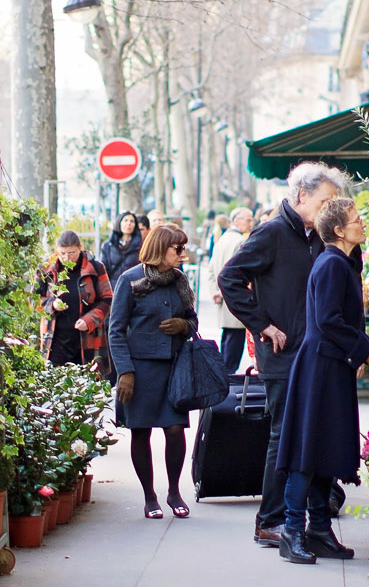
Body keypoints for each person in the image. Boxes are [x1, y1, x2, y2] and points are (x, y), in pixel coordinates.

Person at [218, 162, 353, 548]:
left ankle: (314, 523)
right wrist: (263, 324)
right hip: (282, 355)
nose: (331, 207)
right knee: (284, 437)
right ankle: (270, 521)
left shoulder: (317, 237)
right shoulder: (273, 233)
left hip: (315, 355)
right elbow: (230, 277)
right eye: (326, 200)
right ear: (301, 197)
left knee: (312, 437)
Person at [276, 197, 369, 564]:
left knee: (321, 449)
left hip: (327, 365)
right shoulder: (333, 263)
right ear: (339, 230)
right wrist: (364, 348)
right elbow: (329, 320)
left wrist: (358, 350)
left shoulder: (341, 261)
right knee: (307, 451)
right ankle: (293, 531)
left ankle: (319, 530)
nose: (362, 222)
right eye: (356, 218)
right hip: (321, 368)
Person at [107, 224, 198, 519]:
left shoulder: (180, 281)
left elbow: (193, 321)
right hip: (140, 371)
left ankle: (174, 491)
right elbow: (116, 330)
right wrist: (125, 372)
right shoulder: (130, 280)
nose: (183, 254)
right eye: (178, 248)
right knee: (141, 431)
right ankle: (149, 497)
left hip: (173, 369)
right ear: (161, 249)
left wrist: (184, 326)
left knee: (175, 429)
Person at [36, 230, 112, 368]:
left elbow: (107, 300)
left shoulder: (95, 267)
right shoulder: (46, 268)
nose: (66, 258)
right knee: (52, 383)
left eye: (71, 253)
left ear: (80, 248)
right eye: (62, 254)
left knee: (87, 384)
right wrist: (52, 304)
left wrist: (89, 320)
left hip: (87, 339)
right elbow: (33, 299)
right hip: (54, 340)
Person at [207, 206, 254, 372]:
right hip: (234, 300)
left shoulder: (222, 240)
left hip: (224, 300)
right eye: (248, 220)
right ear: (236, 221)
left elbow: (211, 270)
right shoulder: (239, 241)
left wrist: (215, 291)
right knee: (232, 351)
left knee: (227, 344)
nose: (251, 224)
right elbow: (235, 273)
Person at [101, 210, 143, 287]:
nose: (129, 223)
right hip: (113, 288)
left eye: (132, 221)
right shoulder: (108, 246)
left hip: (134, 288)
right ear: (119, 223)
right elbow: (103, 270)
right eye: (125, 220)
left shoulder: (141, 245)